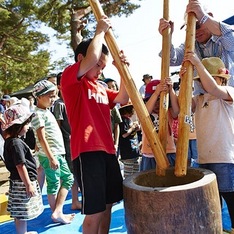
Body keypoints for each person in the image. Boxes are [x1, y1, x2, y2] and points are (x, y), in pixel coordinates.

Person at [61, 15, 129, 234]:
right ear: (82, 57)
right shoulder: (71, 79)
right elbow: (90, 60)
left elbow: (123, 99)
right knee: (94, 211)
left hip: (108, 151)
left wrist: (122, 70)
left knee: (109, 205)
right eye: (99, 64)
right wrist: (99, 31)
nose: (100, 69)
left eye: (103, 66)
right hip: (87, 151)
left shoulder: (100, 87)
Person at [172, 53, 234, 233]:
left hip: (225, 158)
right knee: (213, 201)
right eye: (198, 79)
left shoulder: (228, 93)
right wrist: (180, 83)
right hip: (205, 159)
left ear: (220, 79)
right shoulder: (199, 100)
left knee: (231, 199)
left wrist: (197, 63)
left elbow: (213, 88)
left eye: (205, 77)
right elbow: (178, 111)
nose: (200, 83)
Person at [158, 0, 234, 94]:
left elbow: (231, 40)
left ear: (209, 16)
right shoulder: (190, 44)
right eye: (190, 28)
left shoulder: (223, 38)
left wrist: (202, 16)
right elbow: (171, 60)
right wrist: (167, 37)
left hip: (228, 103)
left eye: (197, 26)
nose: (194, 31)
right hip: (203, 104)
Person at [31, 79, 75, 224]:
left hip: (56, 153)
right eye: (50, 96)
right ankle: (57, 213)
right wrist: (50, 157)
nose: (53, 99)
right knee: (54, 184)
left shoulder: (46, 111)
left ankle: (57, 211)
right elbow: (41, 137)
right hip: (52, 155)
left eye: (54, 95)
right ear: (39, 97)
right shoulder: (38, 114)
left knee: (68, 178)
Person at [2, 103, 44, 234]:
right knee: (21, 211)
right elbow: (20, 165)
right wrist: (28, 184)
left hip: (19, 182)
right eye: (26, 124)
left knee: (18, 210)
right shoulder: (16, 143)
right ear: (17, 126)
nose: (28, 126)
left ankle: (23, 232)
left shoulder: (11, 142)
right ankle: (22, 233)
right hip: (22, 182)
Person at [52, 72, 82, 210]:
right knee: (72, 173)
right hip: (68, 144)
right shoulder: (59, 104)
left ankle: (78, 199)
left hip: (79, 141)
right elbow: (57, 125)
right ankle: (74, 201)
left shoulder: (74, 99)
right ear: (59, 86)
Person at [140, 79, 179, 171]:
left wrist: (171, 90)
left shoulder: (168, 112)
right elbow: (145, 114)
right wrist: (156, 93)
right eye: (155, 100)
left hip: (168, 152)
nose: (157, 103)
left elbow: (176, 111)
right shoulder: (145, 112)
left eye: (161, 99)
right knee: (149, 182)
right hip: (150, 154)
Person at [118, 103, 140, 177]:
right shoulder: (122, 120)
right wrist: (133, 127)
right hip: (128, 152)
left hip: (134, 150)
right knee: (128, 173)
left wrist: (136, 128)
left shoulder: (129, 120)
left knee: (136, 170)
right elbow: (124, 134)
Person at [103, 78, 122, 154]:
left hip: (112, 143)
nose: (111, 89)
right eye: (108, 87)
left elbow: (117, 126)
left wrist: (116, 144)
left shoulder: (114, 108)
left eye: (113, 86)